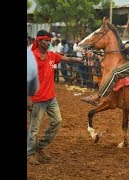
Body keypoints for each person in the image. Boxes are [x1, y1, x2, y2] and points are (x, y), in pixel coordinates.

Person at [27, 30, 84, 165]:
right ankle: (30, 154)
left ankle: (40, 147)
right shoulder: (32, 57)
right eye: (45, 41)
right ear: (39, 41)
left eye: (49, 41)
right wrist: (28, 99)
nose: (48, 43)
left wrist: (82, 59)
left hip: (51, 98)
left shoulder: (52, 55)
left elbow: (68, 58)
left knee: (57, 121)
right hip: (37, 99)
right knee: (34, 128)